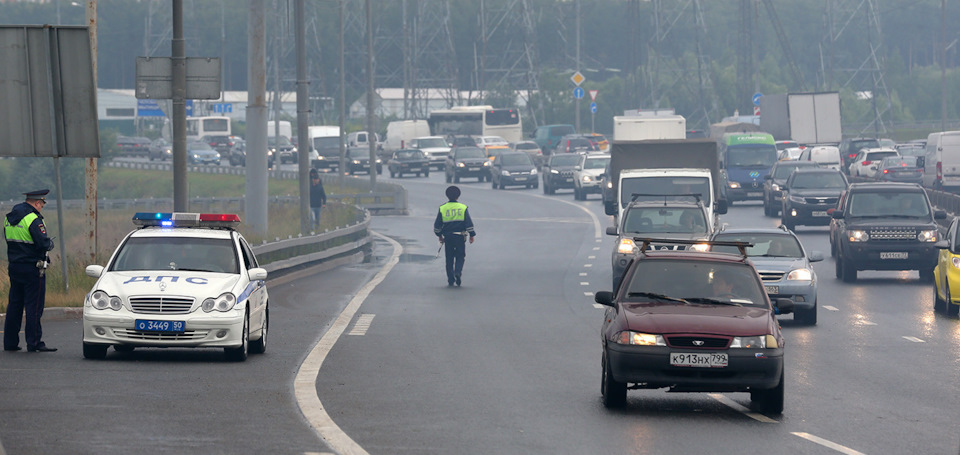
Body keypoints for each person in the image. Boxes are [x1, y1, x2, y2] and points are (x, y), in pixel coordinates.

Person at [4, 189, 56, 352]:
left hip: (14, 266)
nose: (41, 208)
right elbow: (42, 243)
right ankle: (34, 343)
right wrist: (50, 244)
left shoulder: (9, 218)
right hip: (32, 268)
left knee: (14, 305)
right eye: (41, 205)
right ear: (37, 203)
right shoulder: (33, 219)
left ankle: (10, 343)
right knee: (34, 307)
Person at [433, 185, 476, 287]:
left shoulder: (442, 208)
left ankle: (450, 279)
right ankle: (457, 272)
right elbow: (468, 223)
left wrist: (439, 235)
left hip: (448, 237)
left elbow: (437, 226)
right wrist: (472, 235)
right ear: (458, 196)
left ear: (447, 195)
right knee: (460, 256)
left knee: (449, 258)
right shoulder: (463, 207)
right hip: (460, 236)